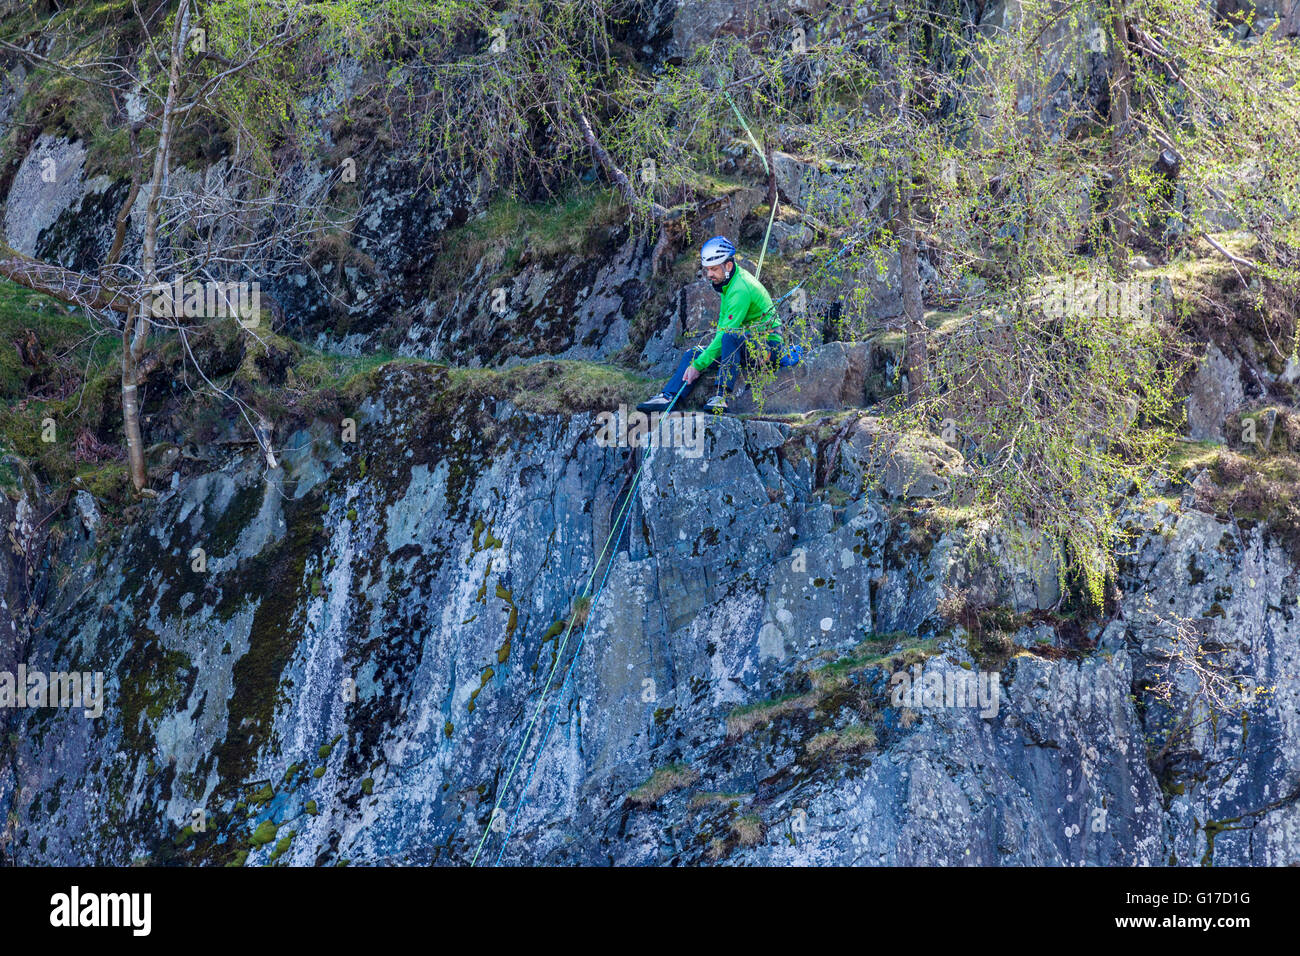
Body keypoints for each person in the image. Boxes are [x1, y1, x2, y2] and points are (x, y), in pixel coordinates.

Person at [637, 235, 787, 414]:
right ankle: (669, 397)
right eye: (707, 269)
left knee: (731, 337)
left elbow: (727, 333)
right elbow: (721, 330)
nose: (709, 275)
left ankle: (721, 397)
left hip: (768, 350)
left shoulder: (740, 289)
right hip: (748, 344)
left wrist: (699, 366)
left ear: (728, 266)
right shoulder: (727, 283)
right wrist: (699, 361)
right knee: (694, 354)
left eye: (714, 269)